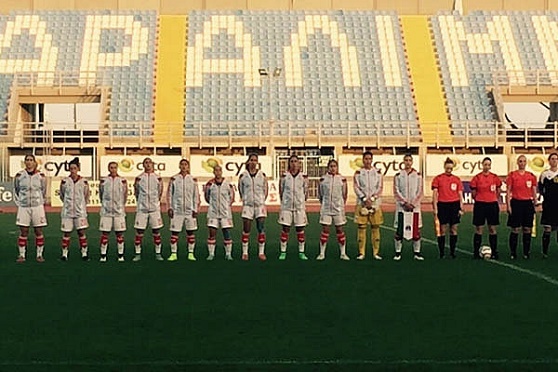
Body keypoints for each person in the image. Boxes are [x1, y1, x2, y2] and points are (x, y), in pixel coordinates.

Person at [14, 154, 47, 263]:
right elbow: (17, 190)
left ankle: (39, 254)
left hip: (37, 206)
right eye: (27, 160)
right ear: (25, 162)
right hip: (24, 207)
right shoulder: (19, 176)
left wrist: (39, 201)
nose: (28, 162)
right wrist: (21, 201)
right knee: (23, 231)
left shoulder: (41, 176)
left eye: (31, 160)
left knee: (38, 230)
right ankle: (22, 255)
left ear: (34, 162)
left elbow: (43, 190)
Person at [393, 153, 424, 261]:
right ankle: (398, 252)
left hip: (414, 208)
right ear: (403, 162)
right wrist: (404, 203)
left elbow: (420, 191)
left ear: (412, 162)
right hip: (402, 207)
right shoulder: (398, 176)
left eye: (409, 160)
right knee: (399, 230)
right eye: (406, 160)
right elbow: (396, 191)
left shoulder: (418, 175)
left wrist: (413, 204)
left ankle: (417, 253)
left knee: (416, 230)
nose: (407, 162)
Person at [167, 159, 199, 261]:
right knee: (174, 233)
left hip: (189, 211)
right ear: (179, 166)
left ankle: (190, 253)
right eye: (182, 164)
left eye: (186, 164)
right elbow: (169, 194)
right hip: (177, 210)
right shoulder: (174, 179)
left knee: (190, 232)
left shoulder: (193, 179)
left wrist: (196, 208)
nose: (184, 166)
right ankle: (173, 254)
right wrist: (170, 207)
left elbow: (196, 195)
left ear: (188, 166)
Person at [317, 159, 350, 261]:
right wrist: (324, 203)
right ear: (328, 167)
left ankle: (343, 253)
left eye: (334, 166)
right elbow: (320, 194)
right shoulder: (323, 179)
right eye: (331, 166)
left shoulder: (342, 179)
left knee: (339, 230)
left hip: (338, 208)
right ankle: (322, 253)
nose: (333, 168)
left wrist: (341, 205)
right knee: (325, 230)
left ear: (337, 167)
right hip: (326, 208)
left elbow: (344, 194)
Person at [353, 151, 383, 260]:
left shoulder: (378, 173)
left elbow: (380, 187)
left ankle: (376, 252)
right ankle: (361, 252)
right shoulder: (358, 173)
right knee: (361, 228)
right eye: (366, 159)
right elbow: (356, 187)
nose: (367, 161)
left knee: (375, 227)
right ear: (363, 159)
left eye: (369, 159)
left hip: (375, 204)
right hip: (362, 203)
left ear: (372, 160)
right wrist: (364, 199)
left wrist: (373, 198)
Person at [238, 153, 268, 261]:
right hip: (248, 206)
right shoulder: (243, 176)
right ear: (248, 161)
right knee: (246, 229)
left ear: (257, 162)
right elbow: (241, 190)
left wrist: (261, 200)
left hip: (259, 205)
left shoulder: (262, 175)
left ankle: (261, 252)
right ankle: (245, 252)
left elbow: (265, 190)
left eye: (255, 160)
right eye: (251, 160)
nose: (253, 162)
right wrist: (246, 199)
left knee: (261, 228)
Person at [506, 155, 538, 259]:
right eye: (520, 161)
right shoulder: (512, 175)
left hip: (527, 203)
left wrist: (535, 202)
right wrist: (508, 205)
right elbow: (508, 191)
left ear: (526, 163)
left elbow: (533, 190)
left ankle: (526, 252)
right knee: (515, 229)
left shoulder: (531, 176)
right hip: (516, 203)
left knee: (527, 229)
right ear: (517, 163)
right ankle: (513, 252)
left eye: (524, 161)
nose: (522, 163)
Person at [278, 154, 309, 260]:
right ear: (289, 163)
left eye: (296, 161)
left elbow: (306, 192)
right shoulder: (284, 176)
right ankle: (283, 252)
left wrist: (301, 202)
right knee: (285, 229)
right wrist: (285, 202)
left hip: (299, 208)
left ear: (299, 163)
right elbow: (281, 191)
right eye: (291, 161)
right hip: (287, 207)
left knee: (300, 229)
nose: (294, 163)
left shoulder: (304, 177)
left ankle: (301, 252)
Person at [470, 157, 502, 260]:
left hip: (492, 204)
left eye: (489, 165)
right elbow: (473, 193)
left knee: (492, 228)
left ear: (490, 165)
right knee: (479, 228)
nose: (487, 166)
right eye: (485, 164)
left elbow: (498, 190)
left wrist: (492, 198)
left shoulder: (495, 177)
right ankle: (475, 252)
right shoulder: (477, 178)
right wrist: (480, 199)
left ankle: (494, 251)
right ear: (482, 165)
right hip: (480, 204)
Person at [133, 157, 164, 262]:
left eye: (149, 163)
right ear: (143, 165)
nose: (148, 165)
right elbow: (136, 192)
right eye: (146, 163)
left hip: (154, 209)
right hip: (142, 209)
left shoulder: (158, 178)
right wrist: (141, 202)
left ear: (152, 164)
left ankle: (158, 253)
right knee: (139, 231)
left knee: (156, 231)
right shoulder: (139, 178)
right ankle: (137, 253)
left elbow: (160, 191)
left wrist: (155, 202)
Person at [432, 157, 463, 258]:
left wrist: (461, 207)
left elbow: (460, 194)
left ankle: (452, 252)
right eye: (447, 168)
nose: (449, 170)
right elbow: (435, 194)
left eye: (450, 168)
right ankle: (441, 253)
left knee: (453, 229)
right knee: (442, 229)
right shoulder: (438, 178)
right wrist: (435, 208)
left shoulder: (456, 179)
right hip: (443, 204)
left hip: (454, 205)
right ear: (444, 167)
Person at [59, 157, 90, 261]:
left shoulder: (84, 181)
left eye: (74, 168)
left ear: (78, 169)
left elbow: (86, 195)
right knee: (66, 233)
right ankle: (64, 254)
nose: (73, 170)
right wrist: (67, 204)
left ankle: (84, 253)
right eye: (71, 168)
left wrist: (81, 205)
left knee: (81, 232)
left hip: (80, 212)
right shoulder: (64, 181)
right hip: (67, 212)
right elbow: (62, 195)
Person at [204, 165, 235, 260]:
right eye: (216, 170)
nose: (218, 172)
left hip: (225, 212)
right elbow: (207, 197)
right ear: (213, 172)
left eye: (219, 170)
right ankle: (211, 254)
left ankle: (228, 254)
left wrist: (226, 206)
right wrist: (213, 205)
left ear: (221, 172)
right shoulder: (209, 184)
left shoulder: (228, 184)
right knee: (212, 233)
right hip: (213, 212)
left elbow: (231, 197)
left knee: (227, 233)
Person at [99, 161, 128, 262]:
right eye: (111, 168)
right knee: (105, 234)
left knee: (119, 234)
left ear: (117, 168)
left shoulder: (122, 180)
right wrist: (105, 205)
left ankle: (120, 255)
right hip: (106, 212)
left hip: (118, 212)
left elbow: (125, 195)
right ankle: (103, 255)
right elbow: (101, 194)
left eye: (115, 167)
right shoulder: (103, 180)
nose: (113, 169)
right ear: (108, 169)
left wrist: (120, 206)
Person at [539, 152, 558, 258]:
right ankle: (544, 252)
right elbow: (540, 188)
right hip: (548, 205)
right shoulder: (545, 174)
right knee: (547, 229)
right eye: (552, 159)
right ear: (549, 161)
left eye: (556, 159)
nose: (554, 160)